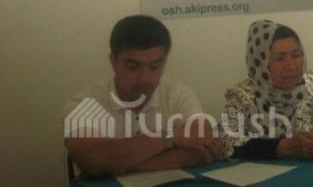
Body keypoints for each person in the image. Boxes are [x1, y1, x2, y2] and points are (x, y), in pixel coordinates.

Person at [63, 15, 224, 178]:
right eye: (133, 67)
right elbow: (91, 160)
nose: (144, 78)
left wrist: (118, 164)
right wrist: (171, 137)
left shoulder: (179, 95)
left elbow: (204, 149)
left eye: (155, 66)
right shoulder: (85, 102)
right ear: (113, 61)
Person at [222, 19, 313, 160]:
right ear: (259, 63)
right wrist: (283, 147)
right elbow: (227, 141)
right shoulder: (242, 95)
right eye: (280, 58)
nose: (291, 66)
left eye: (296, 55)